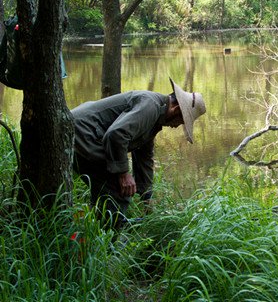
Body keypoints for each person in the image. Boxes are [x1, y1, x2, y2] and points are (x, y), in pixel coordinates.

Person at [71, 78, 206, 229]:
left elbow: (144, 158)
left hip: (87, 134)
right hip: (82, 133)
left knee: (108, 190)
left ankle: (97, 229)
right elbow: (116, 135)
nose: (176, 127)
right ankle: (110, 240)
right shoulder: (150, 106)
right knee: (118, 190)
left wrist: (147, 198)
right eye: (181, 122)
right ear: (176, 110)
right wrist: (123, 174)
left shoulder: (155, 118)